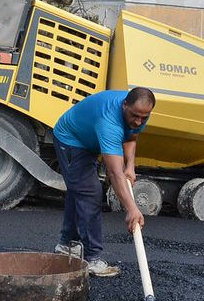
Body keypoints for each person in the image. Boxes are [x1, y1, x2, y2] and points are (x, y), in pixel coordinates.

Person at [52, 88, 155, 277]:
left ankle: (67, 244)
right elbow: (115, 173)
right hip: (71, 139)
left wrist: (130, 167)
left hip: (89, 139)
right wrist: (132, 209)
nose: (138, 121)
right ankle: (92, 258)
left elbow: (131, 136)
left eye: (144, 117)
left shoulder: (138, 111)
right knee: (90, 192)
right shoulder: (109, 122)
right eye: (135, 116)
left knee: (79, 190)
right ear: (125, 104)